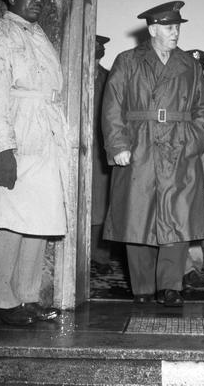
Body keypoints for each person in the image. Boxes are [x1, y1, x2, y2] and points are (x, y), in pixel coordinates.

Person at [101, 1, 204, 307]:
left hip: (179, 147)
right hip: (140, 145)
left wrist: (195, 139)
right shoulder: (128, 61)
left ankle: (170, 286)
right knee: (137, 217)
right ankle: (142, 287)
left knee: (177, 217)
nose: (175, 32)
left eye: (177, 27)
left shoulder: (189, 65)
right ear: (153, 30)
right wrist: (118, 145)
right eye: (169, 27)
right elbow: (112, 104)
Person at [0, 0, 68, 326]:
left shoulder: (38, 34)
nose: (37, 1)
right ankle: (3, 301)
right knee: (11, 218)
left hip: (44, 134)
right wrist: (2, 148)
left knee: (40, 217)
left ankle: (27, 296)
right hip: (16, 132)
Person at [180, 49, 204, 289]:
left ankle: (194, 268)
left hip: (202, 169)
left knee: (196, 222)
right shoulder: (178, 98)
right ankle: (183, 269)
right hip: (179, 167)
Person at [90, 35, 113, 274]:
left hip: (101, 150)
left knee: (102, 203)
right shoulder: (73, 76)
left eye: (99, 49)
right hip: (79, 147)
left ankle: (101, 257)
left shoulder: (109, 78)